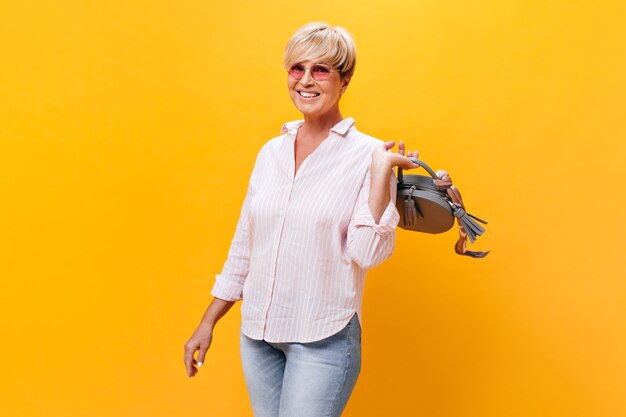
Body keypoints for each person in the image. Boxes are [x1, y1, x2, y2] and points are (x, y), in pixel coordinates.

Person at [184, 22, 422, 417]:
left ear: (344, 81)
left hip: (323, 336)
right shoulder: (270, 153)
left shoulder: (368, 156)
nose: (306, 81)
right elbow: (245, 245)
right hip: (258, 335)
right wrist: (207, 322)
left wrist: (381, 173)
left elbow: (368, 253)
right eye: (297, 68)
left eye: (322, 70)